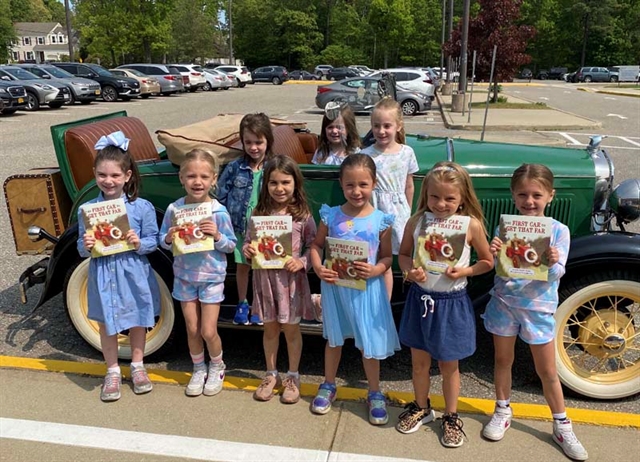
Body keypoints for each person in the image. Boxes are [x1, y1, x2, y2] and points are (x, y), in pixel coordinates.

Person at [482, 164, 588, 460]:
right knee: (503, 360)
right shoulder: (504, 228)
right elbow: (498, 268)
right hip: (504, 303)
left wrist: (553, 260)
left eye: (536, 195)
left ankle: (562, 423)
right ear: (513, 197)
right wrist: (493, 251)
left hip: (538, 309)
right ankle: (502, 409)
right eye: (523, 195)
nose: (530, 201)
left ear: (550, 196)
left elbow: (557, 274)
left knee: (548, 371)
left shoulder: (558, 231)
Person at [397, 161, 494, 448]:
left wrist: (465, 271)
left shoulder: (471, 225)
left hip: (451, 302)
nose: (441, 204)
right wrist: (410, 271)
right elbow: (403, 255)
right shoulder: (416, 222)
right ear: (425, 195)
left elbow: (487, 262)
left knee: (449, 365)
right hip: (421, 299)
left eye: (450, 198)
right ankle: (421, 407)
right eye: (434, 197)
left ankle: (451, 416)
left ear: (463, 198)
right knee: (419, 363)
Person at [309, 154, 400, 425]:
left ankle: (374, 392)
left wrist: (376, 270)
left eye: (363, 184)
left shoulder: (382, 220)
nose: (356, 191)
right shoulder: (331, 215)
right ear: (341, 184)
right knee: (334, 340)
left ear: (374, 183)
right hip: (336, 289)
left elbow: (386, 258)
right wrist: (317, 267)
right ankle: (328, 384)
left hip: (367, 291)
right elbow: (316, 245)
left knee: (368, 345)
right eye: (350, 185)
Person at [77, 131, 160, 402]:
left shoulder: (141, 207)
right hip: (103, 271)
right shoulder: (88, 209)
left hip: (133, 270)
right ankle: (112, 370)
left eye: (115, 175)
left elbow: (154, 240)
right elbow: (80, 247)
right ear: (94, 174)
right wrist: (87, 243)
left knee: (137, 318)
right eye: (102, 175)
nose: (108, 181)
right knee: (107, 323)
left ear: (127, 176)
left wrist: (138, 243)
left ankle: (137, 365)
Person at [160, 149, 236, 397]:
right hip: (184, 276)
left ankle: (217, 365)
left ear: (213, 179)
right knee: (191, 329)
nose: (197, 182)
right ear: (181, 178)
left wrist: (216, 235)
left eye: (204, 176)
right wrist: (169, 238)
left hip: (211, 277)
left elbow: (231, 245)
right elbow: (163, 241)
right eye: (191, 176)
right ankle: (198, 367)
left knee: (208, 330)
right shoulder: (174, 209)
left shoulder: (218, 211)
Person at [242, 155, 317, 404]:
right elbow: (248, 241)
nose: (280, 188)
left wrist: (303, 261)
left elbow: (314, 245)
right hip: (265, 282)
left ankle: (293, 376)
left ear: (295, 183)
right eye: (273, 183)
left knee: (292, 330)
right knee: (270, 329)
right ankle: (271, 373)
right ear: (266, 185)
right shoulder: (259, 213)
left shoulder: (302, 215)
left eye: (285, 182)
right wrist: (248, 250)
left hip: (291, 283)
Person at [216, 113, 274, 326]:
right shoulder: (234, 168)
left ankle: (259, 304)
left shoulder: (272, 168)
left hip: (265, 229)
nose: (254, 147)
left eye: (259, 142)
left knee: (261, 267)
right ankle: (243, 302)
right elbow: (220, 195)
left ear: (268, 140)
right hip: (240, 227)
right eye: (248, 142)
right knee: (243, 267)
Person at [360, 97, 418, 301]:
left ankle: (410, 294)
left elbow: (409, 185)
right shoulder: (366, 154)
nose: (381, 131)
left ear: (398, 126)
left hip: (398, 211)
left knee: (404, 254)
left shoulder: (407, 153)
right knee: (379, 258)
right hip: (374, 209)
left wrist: (409, 213)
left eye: (387, 126)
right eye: (376, 126)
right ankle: (382, 301)